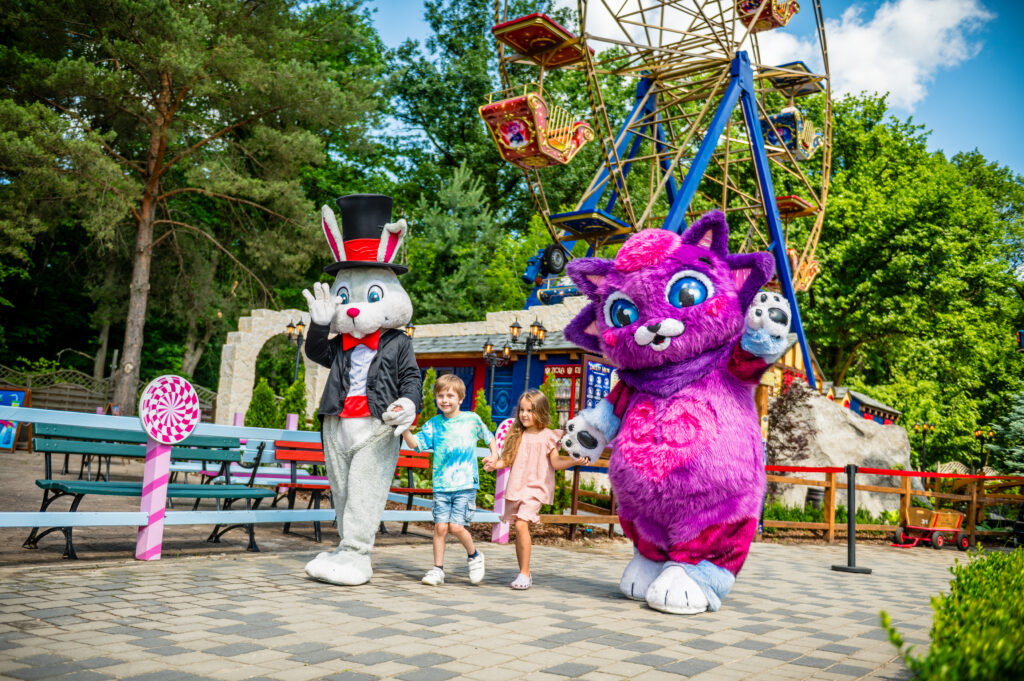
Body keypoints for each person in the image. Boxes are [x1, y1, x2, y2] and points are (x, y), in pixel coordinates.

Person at [483, 389, 583, 590]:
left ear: (541, 412)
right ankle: (523, 572)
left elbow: (555, 462)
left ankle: (524, 573)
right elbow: (507, 460)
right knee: (519, 528)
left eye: (530, 410)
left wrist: (573, 461)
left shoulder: (549, 436)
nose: (525, 414)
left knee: (521, 524)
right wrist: (495, 465)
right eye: (522, 410)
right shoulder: (517, 434)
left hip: (537, 488)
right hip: (517, 486)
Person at [401, 374, 495, 586]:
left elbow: (490, 438)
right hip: (442, 485)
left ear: (460, 398)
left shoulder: (471, 419)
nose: (445, 400)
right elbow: (415, 444)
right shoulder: (433, 424)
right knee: (440, 528)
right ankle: (438, 570)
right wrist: (404, 428)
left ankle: (474, 556)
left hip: (465, 484)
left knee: (456, 527)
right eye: (440, 396)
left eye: (450, 396)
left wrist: (494, 456)